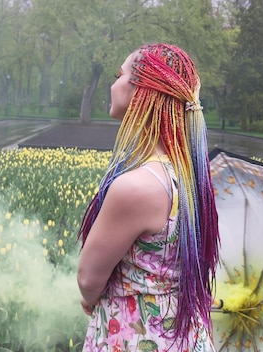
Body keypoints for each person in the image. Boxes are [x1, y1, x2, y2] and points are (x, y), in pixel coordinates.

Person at [76, 43, 220, 351]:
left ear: (139, 89)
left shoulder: (137, 187)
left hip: (137, 337)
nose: (113, 84)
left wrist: (90, 299)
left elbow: (89, 279)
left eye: (120, 74)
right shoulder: (190, 178)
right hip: (186, 337)